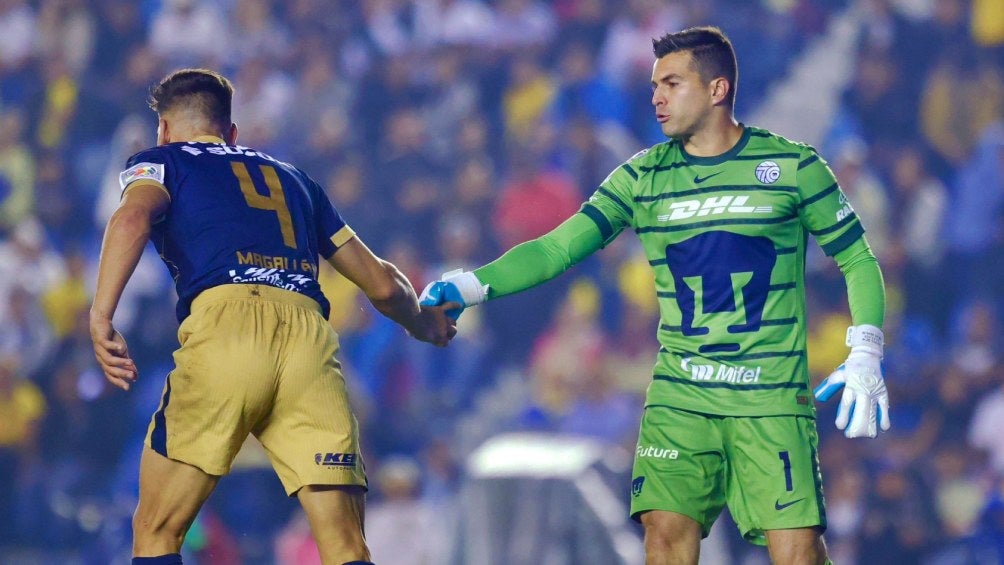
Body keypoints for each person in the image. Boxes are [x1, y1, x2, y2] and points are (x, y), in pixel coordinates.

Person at [421, 26, 889, 564]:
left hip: (769, 396)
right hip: (680, 394)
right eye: (653, 85)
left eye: (672, 83)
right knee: (664, 533)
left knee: (797, 551)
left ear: (717, 89)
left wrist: (867, 347)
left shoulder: (791, 167)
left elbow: (857, 257)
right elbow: (556, 248)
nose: (656, 97)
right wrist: (472, 284)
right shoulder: (640, 177)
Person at [90, 68, 457, 565]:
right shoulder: (298, 181)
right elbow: (383, 284)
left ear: (164, 130)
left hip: (226, 324)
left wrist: (101, 315)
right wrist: (425, 323)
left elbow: (131, 216)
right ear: (232, 132)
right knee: (346, 546)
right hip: (309, 336)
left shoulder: (160, 161)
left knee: (156, 530)